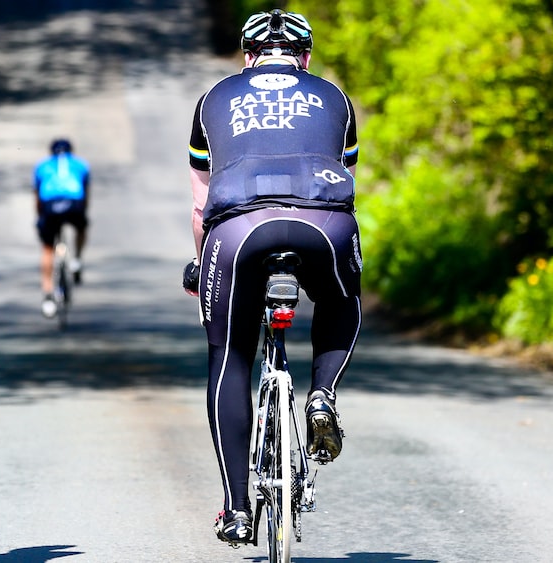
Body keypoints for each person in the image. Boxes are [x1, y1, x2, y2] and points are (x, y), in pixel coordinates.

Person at [183, 9, 362, 545]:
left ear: (247, 56)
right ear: (305, 57)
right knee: (342, 298)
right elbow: (346, 175)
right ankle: (322, 394)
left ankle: (237, 508)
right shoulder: (335, 96)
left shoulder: (214, 98)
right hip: (323, 222)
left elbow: (199, 203)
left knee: (229, 353)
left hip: (239, 229)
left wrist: (202, 269)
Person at [33, 138, 90, 318]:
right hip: (74, 203)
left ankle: (48, 296)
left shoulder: (42, 166)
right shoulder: (81, 164)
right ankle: (77, 260)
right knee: (81, 227)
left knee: (48, 248)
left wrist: (40, 217)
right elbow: (86, 194)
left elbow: (38, 197)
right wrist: (82, 216)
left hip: (50, 205)